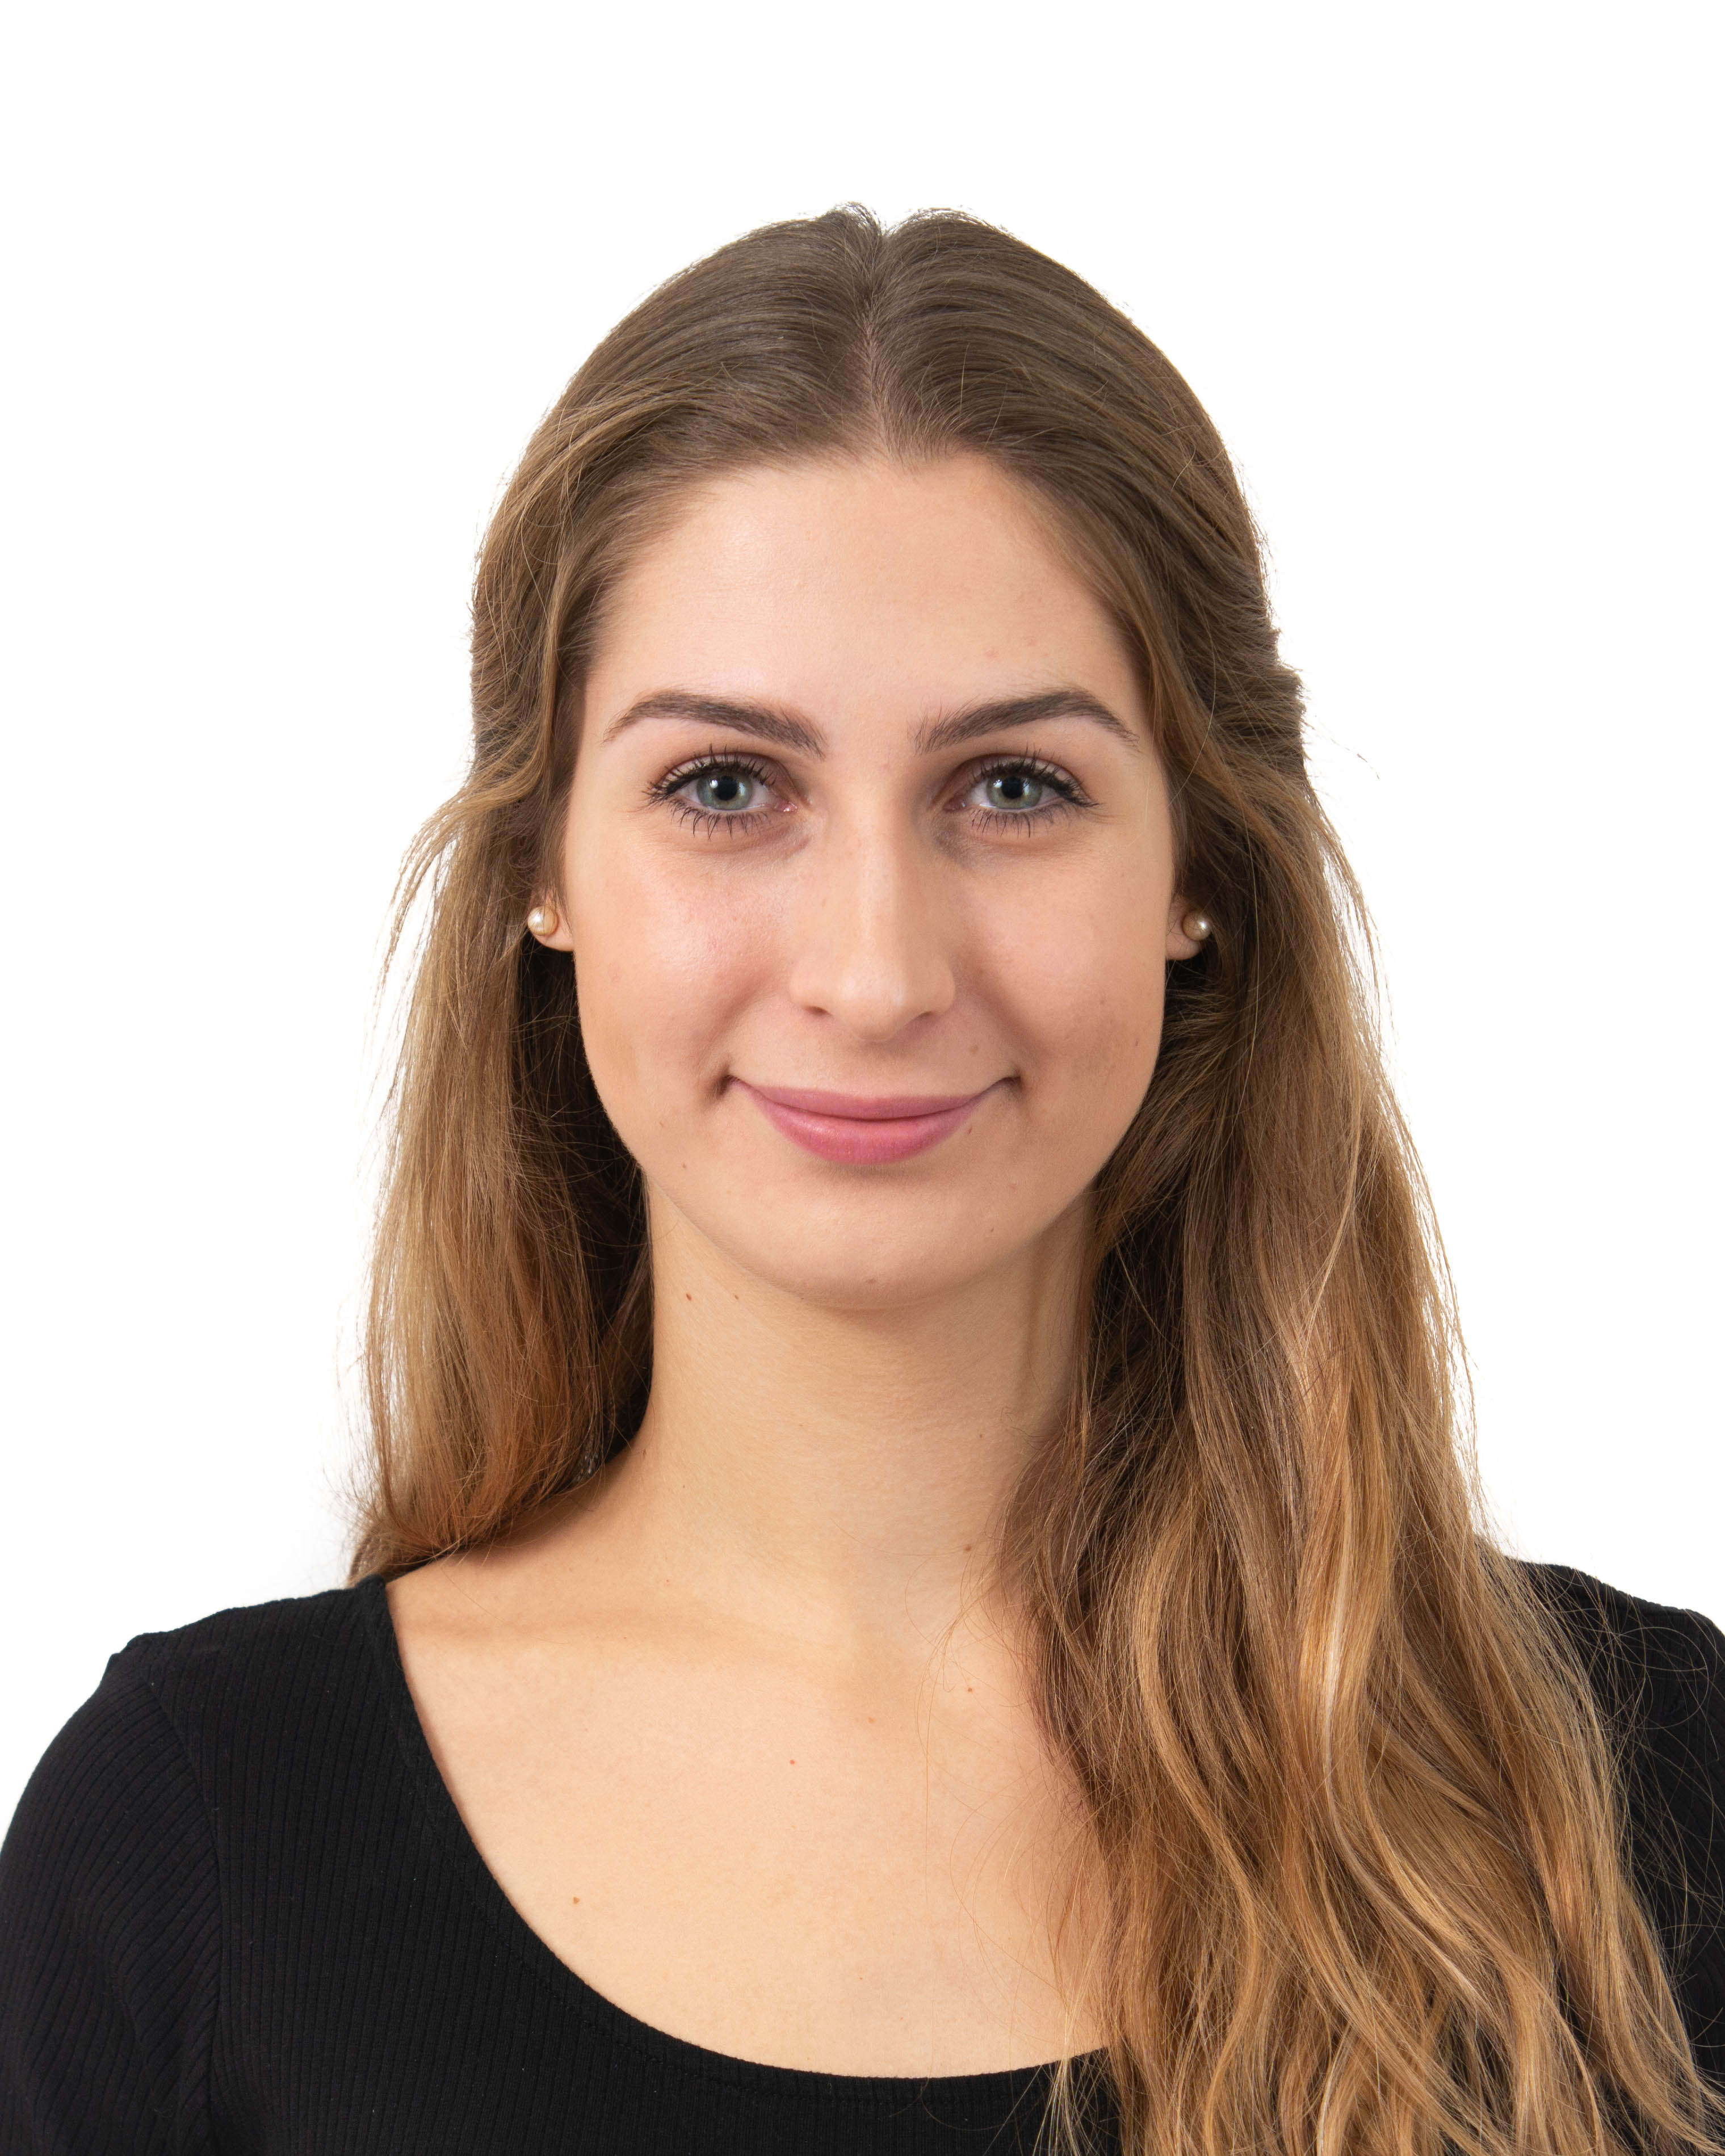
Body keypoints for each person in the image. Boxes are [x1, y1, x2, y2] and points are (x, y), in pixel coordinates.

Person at [2, 205, 1721, 2156]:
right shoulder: (197, 1852)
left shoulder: (1639, 1797)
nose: (878, 971)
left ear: (1197, 875)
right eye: (727, 787)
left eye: (1016, 787)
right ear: (547, 871)